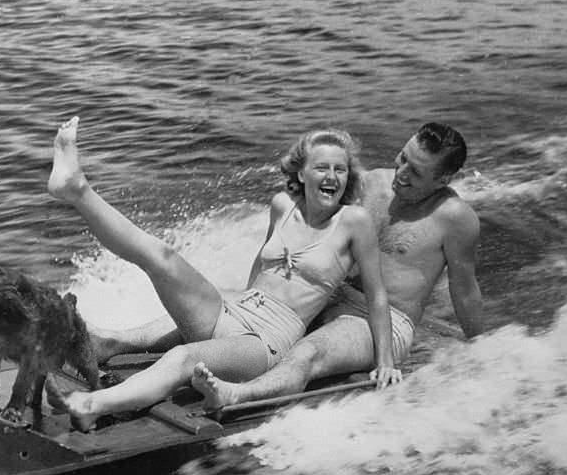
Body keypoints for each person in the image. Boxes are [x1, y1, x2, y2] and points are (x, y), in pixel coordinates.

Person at [44, 116, 399, 431]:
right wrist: (233, 306)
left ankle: (93, 406)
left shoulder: (353, 222)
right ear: (302, 172)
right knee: (163, 257)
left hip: (267, 341)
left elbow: (377, 295)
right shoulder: (282, 206)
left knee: (182, 358)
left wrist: (385, 362)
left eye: (341, 170)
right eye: (323, 167)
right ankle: (76, 190)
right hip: (237, 311)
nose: (332, 177)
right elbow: (261, 268)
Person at [97, 122, 484, 410]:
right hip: (325, 298)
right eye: (402, 159)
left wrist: (477, 350)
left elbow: (463, 289)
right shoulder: (370, 184)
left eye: (415, 172)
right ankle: (114, 341)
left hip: (382, 320)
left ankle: (237, 394)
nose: (400, 174)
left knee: (308, 353)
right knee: (224, 307)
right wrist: (253, 295)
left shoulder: (456, 220)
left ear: (445, 178)